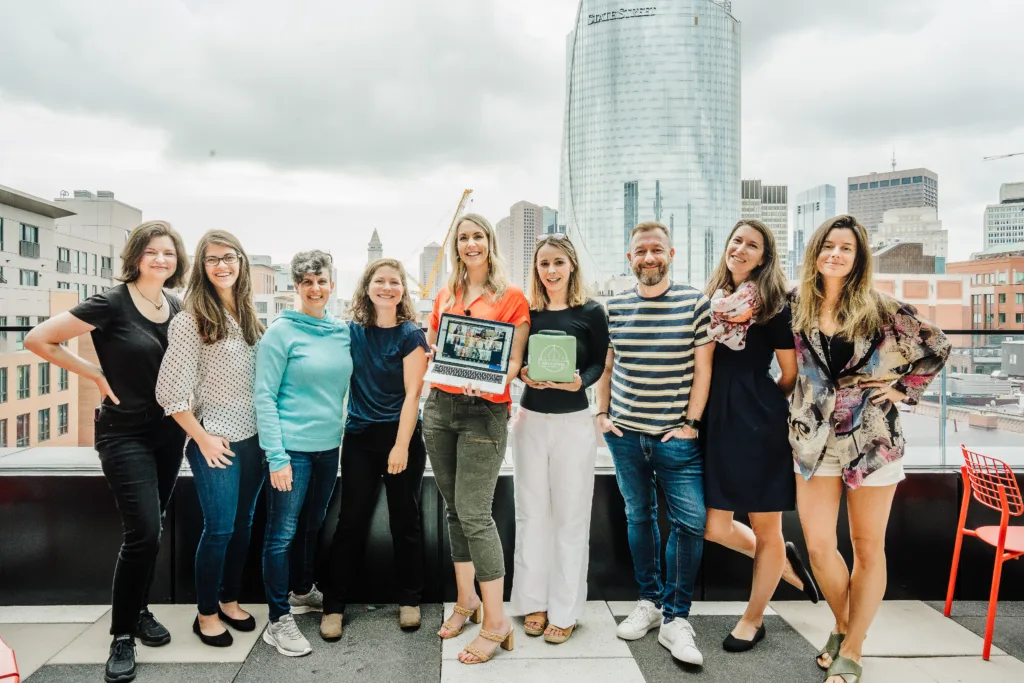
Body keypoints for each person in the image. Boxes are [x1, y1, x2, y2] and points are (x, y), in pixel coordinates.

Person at [25, 221, 189, 683]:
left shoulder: (174, 305)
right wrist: (95, 374)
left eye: (169, 253)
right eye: (153, 251)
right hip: (124, 434)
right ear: (136, 256)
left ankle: (138, 611)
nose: (161, 259)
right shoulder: (111, 302)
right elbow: (38, 338)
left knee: (151, 527)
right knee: (144, 531)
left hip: (167, 433)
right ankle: (122, 635)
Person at [789, 215, 950, 683]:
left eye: (846, 249)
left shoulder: (880, 309)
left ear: (858, 258)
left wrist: (904, 389)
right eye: (828, 246)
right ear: (815, 252)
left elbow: (937, 346)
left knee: (866, 547)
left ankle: (852, 649)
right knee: (819, 546)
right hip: (813, 441)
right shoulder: (797, 305)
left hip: (872, 439)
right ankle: (845, 628)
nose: (835, 255)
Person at [596, 221, 712, 666]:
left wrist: (691, 424)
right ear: (630, 259)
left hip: (676, 439)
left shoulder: (693, 301)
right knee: (638, 516)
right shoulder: (615, 308)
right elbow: (607, 368)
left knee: (690, 521)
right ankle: (648, 601)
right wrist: (602, 416)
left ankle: (675, 617)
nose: (649, 257)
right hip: (626, 436)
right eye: (641, 251)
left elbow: (703, 370)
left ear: (671, 254)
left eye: (657, 250)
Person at [700, 220, 820, 653]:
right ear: (726, 246)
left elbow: (788, 374)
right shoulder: (712, 299)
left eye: (753, 245)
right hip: (714, 418)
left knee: (765, 526)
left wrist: (758, 406)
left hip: (757, 420)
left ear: (765, 257)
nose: (742, 249)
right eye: (736, 241)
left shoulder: (773, 305)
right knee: (714, 527)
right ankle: (784, 564)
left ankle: (753, 620)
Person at [423, 213, 529, 665]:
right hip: (439, 409)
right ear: (457, 246)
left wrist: (484, 381)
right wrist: (441, 359)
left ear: (490, 242)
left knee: (475, 513)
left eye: (477, 236)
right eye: (463, 237)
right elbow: (434, 339)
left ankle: (496, 621)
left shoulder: (512, 297)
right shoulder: (447, 292)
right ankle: (465, 602)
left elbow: (512, 363)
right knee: (453, 510)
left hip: (484, 411)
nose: (470, 243)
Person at [155, 230, 265, 647]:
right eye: (212, 259)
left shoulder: (250, 316)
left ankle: (230, 599)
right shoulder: (190, 319)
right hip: (215, 439)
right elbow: (170, 391)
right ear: (202, 267)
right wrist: (202, 439)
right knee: (219, 527)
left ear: (241, 262)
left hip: (253, 436)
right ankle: (205, 614)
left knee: (243, 524)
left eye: (229, 257)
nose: (222, 265)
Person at [319, 258, 429, 640]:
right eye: (379, 281)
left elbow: (413, 393)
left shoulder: (411, 335)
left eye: (394, 282)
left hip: (402, 437)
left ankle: (409, 600)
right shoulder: (352, 332)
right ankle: (333, 605)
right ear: (367, 287)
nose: (387, 287)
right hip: (360, 438)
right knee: (350, 523)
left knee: (406, 521)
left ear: (403, 290)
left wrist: (400, 446)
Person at [510, 233, 609, 644]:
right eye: (543, 264)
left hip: (573, 424)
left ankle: (565, 610)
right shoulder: (526, 311)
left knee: (571, 518)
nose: (550, 271)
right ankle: (531, 602)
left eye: (557, 263)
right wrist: (521, 375)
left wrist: (578, 383)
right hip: (530, 420)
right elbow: (513, 360)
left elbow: (600, 363)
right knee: (530, 514)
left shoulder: (592, 311)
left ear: (571, 266)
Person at [254, 250, 352, 657]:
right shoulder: (280, 332)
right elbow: (264, 396)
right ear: (296, 287)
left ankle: (299, 590)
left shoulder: (341, 331)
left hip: (329, 449)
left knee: (311, 526)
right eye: (307, 282)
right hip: (291, 450)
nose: (315, 288)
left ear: (332, 285)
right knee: (281, 535)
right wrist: (276, 456)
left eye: (322, 281)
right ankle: (277, 620)